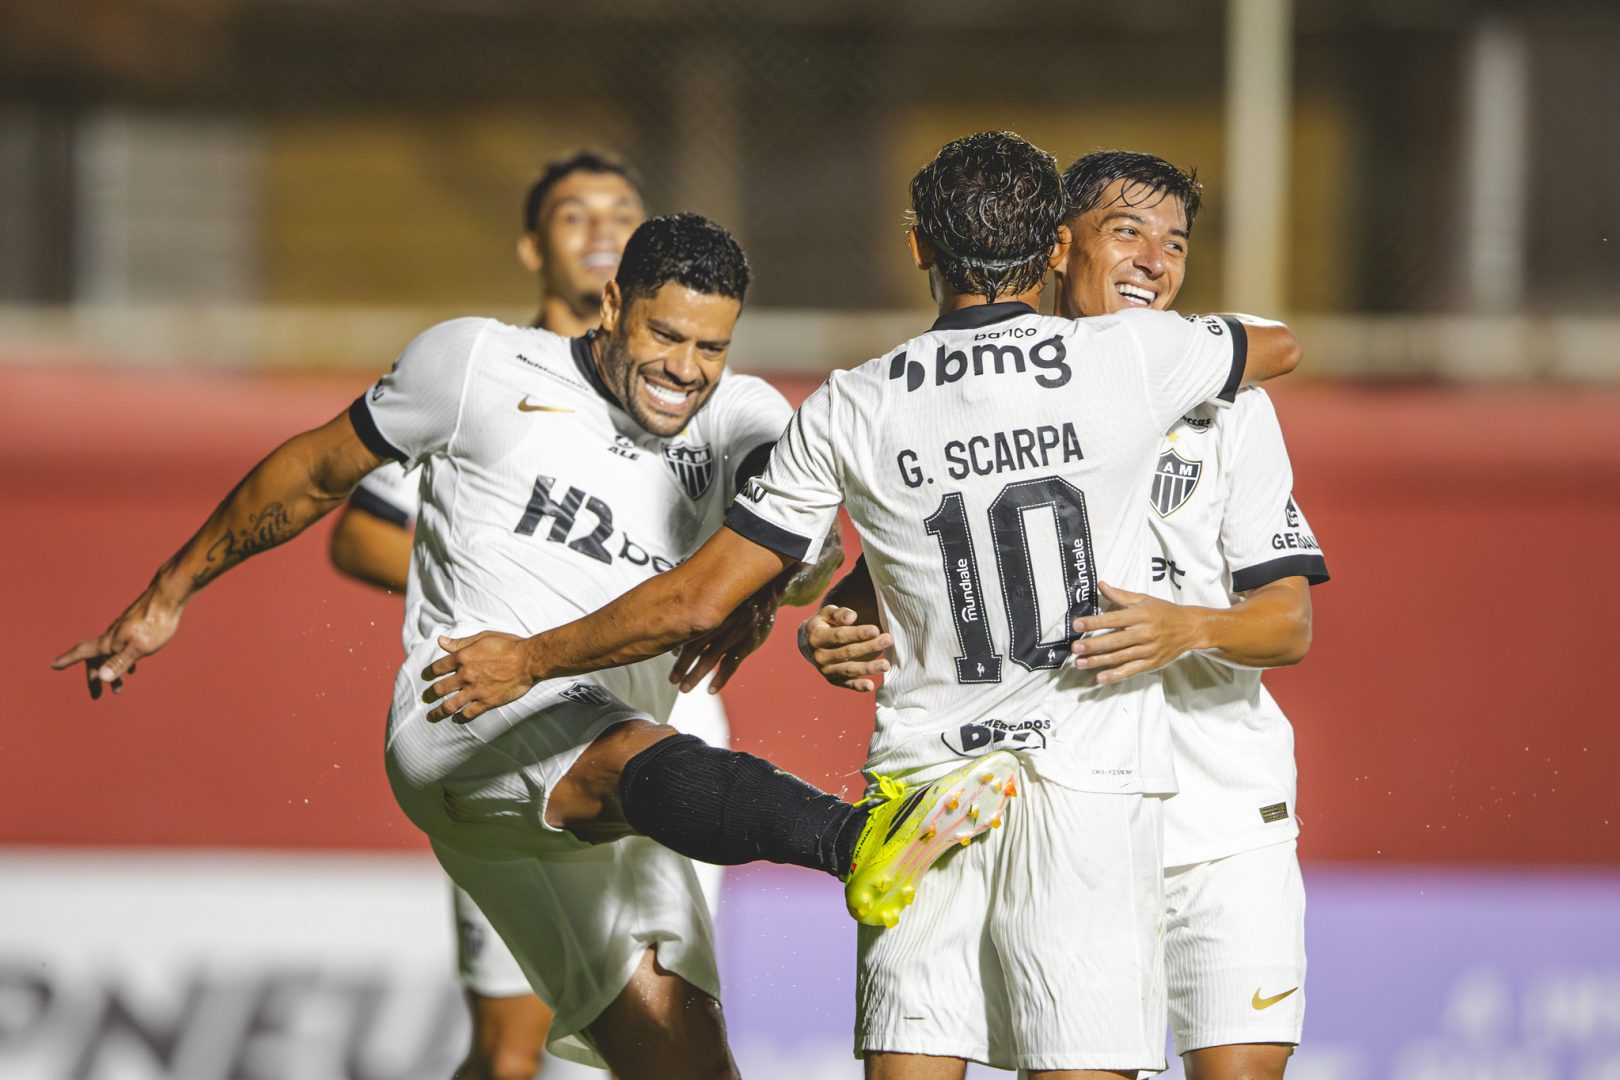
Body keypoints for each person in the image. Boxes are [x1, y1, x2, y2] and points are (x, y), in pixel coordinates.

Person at [418, 132, 1303, 1079]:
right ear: (1053, 249)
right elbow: (1279, 345)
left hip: (921, 798)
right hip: (1083, 784)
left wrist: (539, 653)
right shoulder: (1130, 358)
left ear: (918, 247)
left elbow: (708, 592)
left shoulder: (851, 402)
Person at [57, 213, 1009, 1080]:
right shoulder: (475, 366)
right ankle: (857, 841)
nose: (685, 368)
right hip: (465, 716)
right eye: (665, 336)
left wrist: (764, 597)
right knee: (636, 753)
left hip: (606, 792)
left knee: (681, 1070)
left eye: (710, 346)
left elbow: (803, 556)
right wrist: (167, 594)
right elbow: (314, 472)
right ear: (611, 305)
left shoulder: (746, 421)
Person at [799, 150, 1330, 1080]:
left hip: (1221, 817)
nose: (1155, 262)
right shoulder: (981, 397)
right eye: (1126, 233)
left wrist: (1189, 626)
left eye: (1176, 244)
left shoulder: (1227, 403)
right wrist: (845, 612)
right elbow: (938, 545)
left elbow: (1288, 624)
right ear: (1055, 248)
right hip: (1061, 799)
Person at [327, 152, 722, 1080]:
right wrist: (515, 599)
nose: (600, 231)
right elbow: (358, 534)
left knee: (669, 1026)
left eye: (621, 213)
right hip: (514, 726)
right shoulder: (480, 377)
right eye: (574, 216)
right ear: (531, 246)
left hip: (663, 718)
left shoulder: (699, 392)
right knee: (511, 1049)